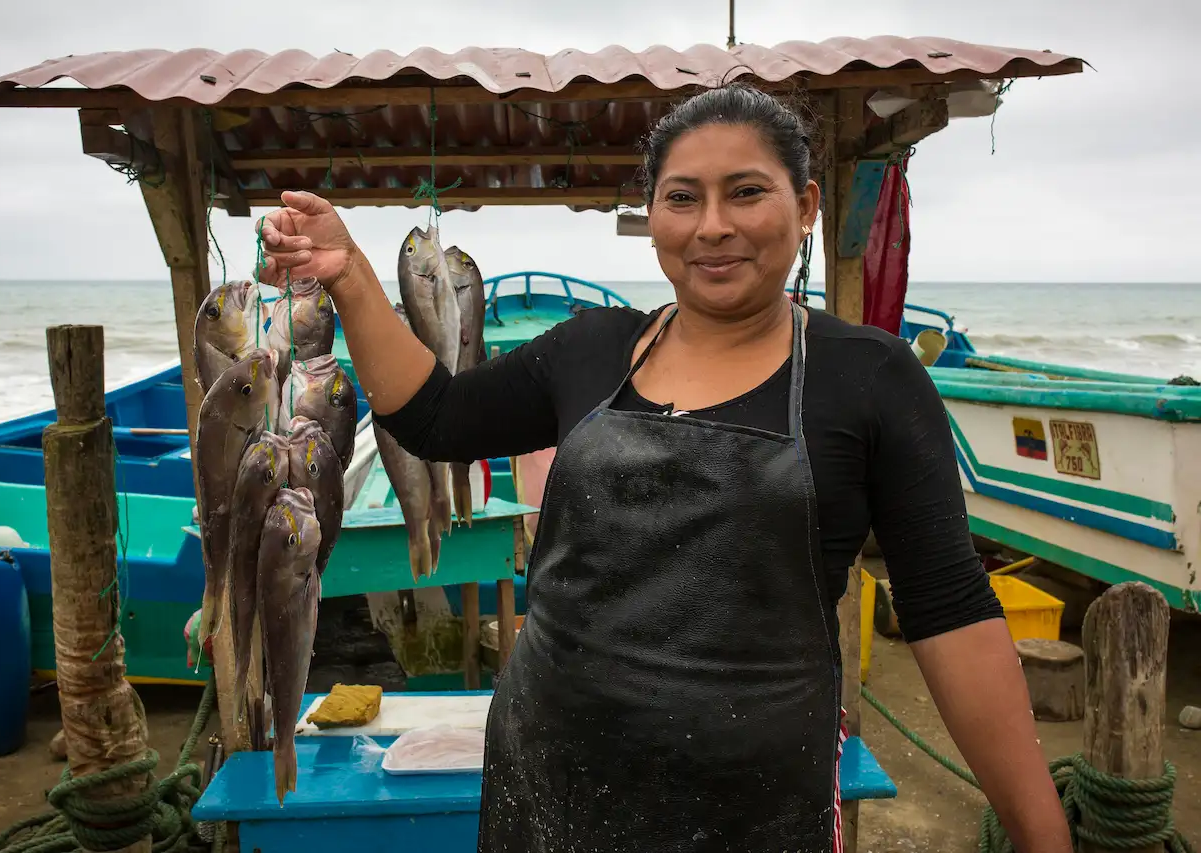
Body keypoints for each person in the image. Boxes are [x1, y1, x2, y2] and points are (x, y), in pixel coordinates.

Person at [256, 82, 1071, 852]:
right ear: (651, 214)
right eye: (682, 198)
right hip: (546, 784)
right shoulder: (591, 348)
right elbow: (436, 417)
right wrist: (351, 277)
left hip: (750, 805)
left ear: (807, 205)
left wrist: (1043, 836)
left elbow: (952, 613)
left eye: (747, 191)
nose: (712, 225)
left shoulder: (872, 379)